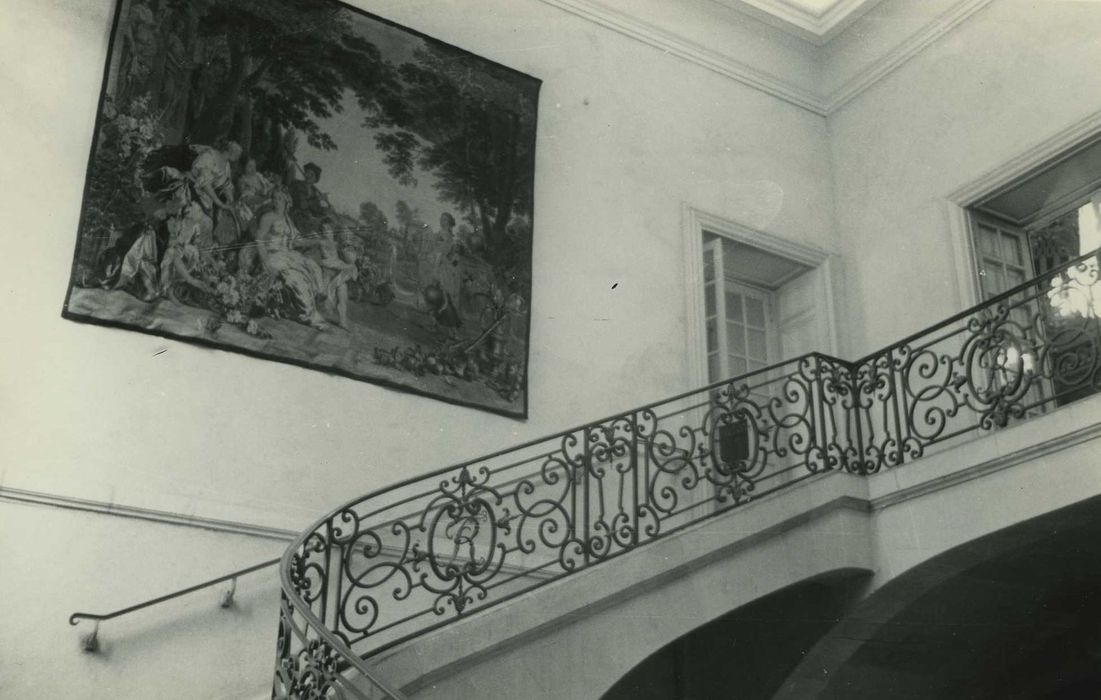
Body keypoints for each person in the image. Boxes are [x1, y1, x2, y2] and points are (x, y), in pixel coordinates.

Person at [254, 190, 328, 329]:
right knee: (297, 280)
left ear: (286, 202)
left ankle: (318, 297)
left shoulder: (288, 220)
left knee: (313, 266)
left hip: (287, 254)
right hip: (273, 255)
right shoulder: (268, 217)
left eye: (280, 199)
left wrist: (316, 241)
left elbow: (297, 241)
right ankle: (308, 315)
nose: (276, 201)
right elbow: (259, 240)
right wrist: (264, 261)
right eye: (274, 198)